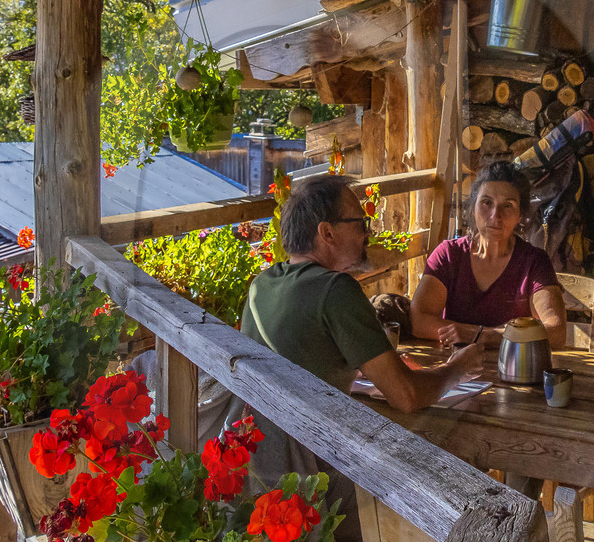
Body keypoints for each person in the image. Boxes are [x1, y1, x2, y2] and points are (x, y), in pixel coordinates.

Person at [241, 173, 488, 508]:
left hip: (260, 479)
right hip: (314, 493)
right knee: (456, 471)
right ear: (326, 232)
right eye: (359, 223)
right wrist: (456, 368)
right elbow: (407, 396)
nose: (367, 232)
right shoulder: (335, 290)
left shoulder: (263, 285)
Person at [411, 160, 568, 349]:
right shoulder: (449, 255)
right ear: (473, 207)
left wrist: (480, 336)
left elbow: (556, 331)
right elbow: (419, 321)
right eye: (486, 202)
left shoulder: (533, 262)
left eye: (508, 205)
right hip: (455, 369)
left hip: (513, 371)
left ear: (520, 215)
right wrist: (502, 336)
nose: (495, 215)